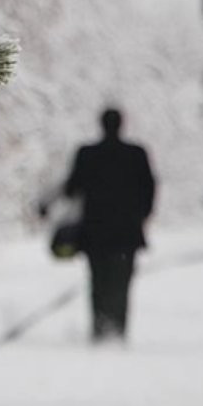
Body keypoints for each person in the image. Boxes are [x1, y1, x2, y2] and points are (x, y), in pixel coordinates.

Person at [61, 108, 156, 343]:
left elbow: (71, 188)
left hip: (95, 232)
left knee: (98, 280)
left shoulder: (87, 154)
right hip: (126, 232)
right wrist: (141, 216)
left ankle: (99, 327)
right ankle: (118, 328)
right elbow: (149, 188)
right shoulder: (136, 154)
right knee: (122, 281)